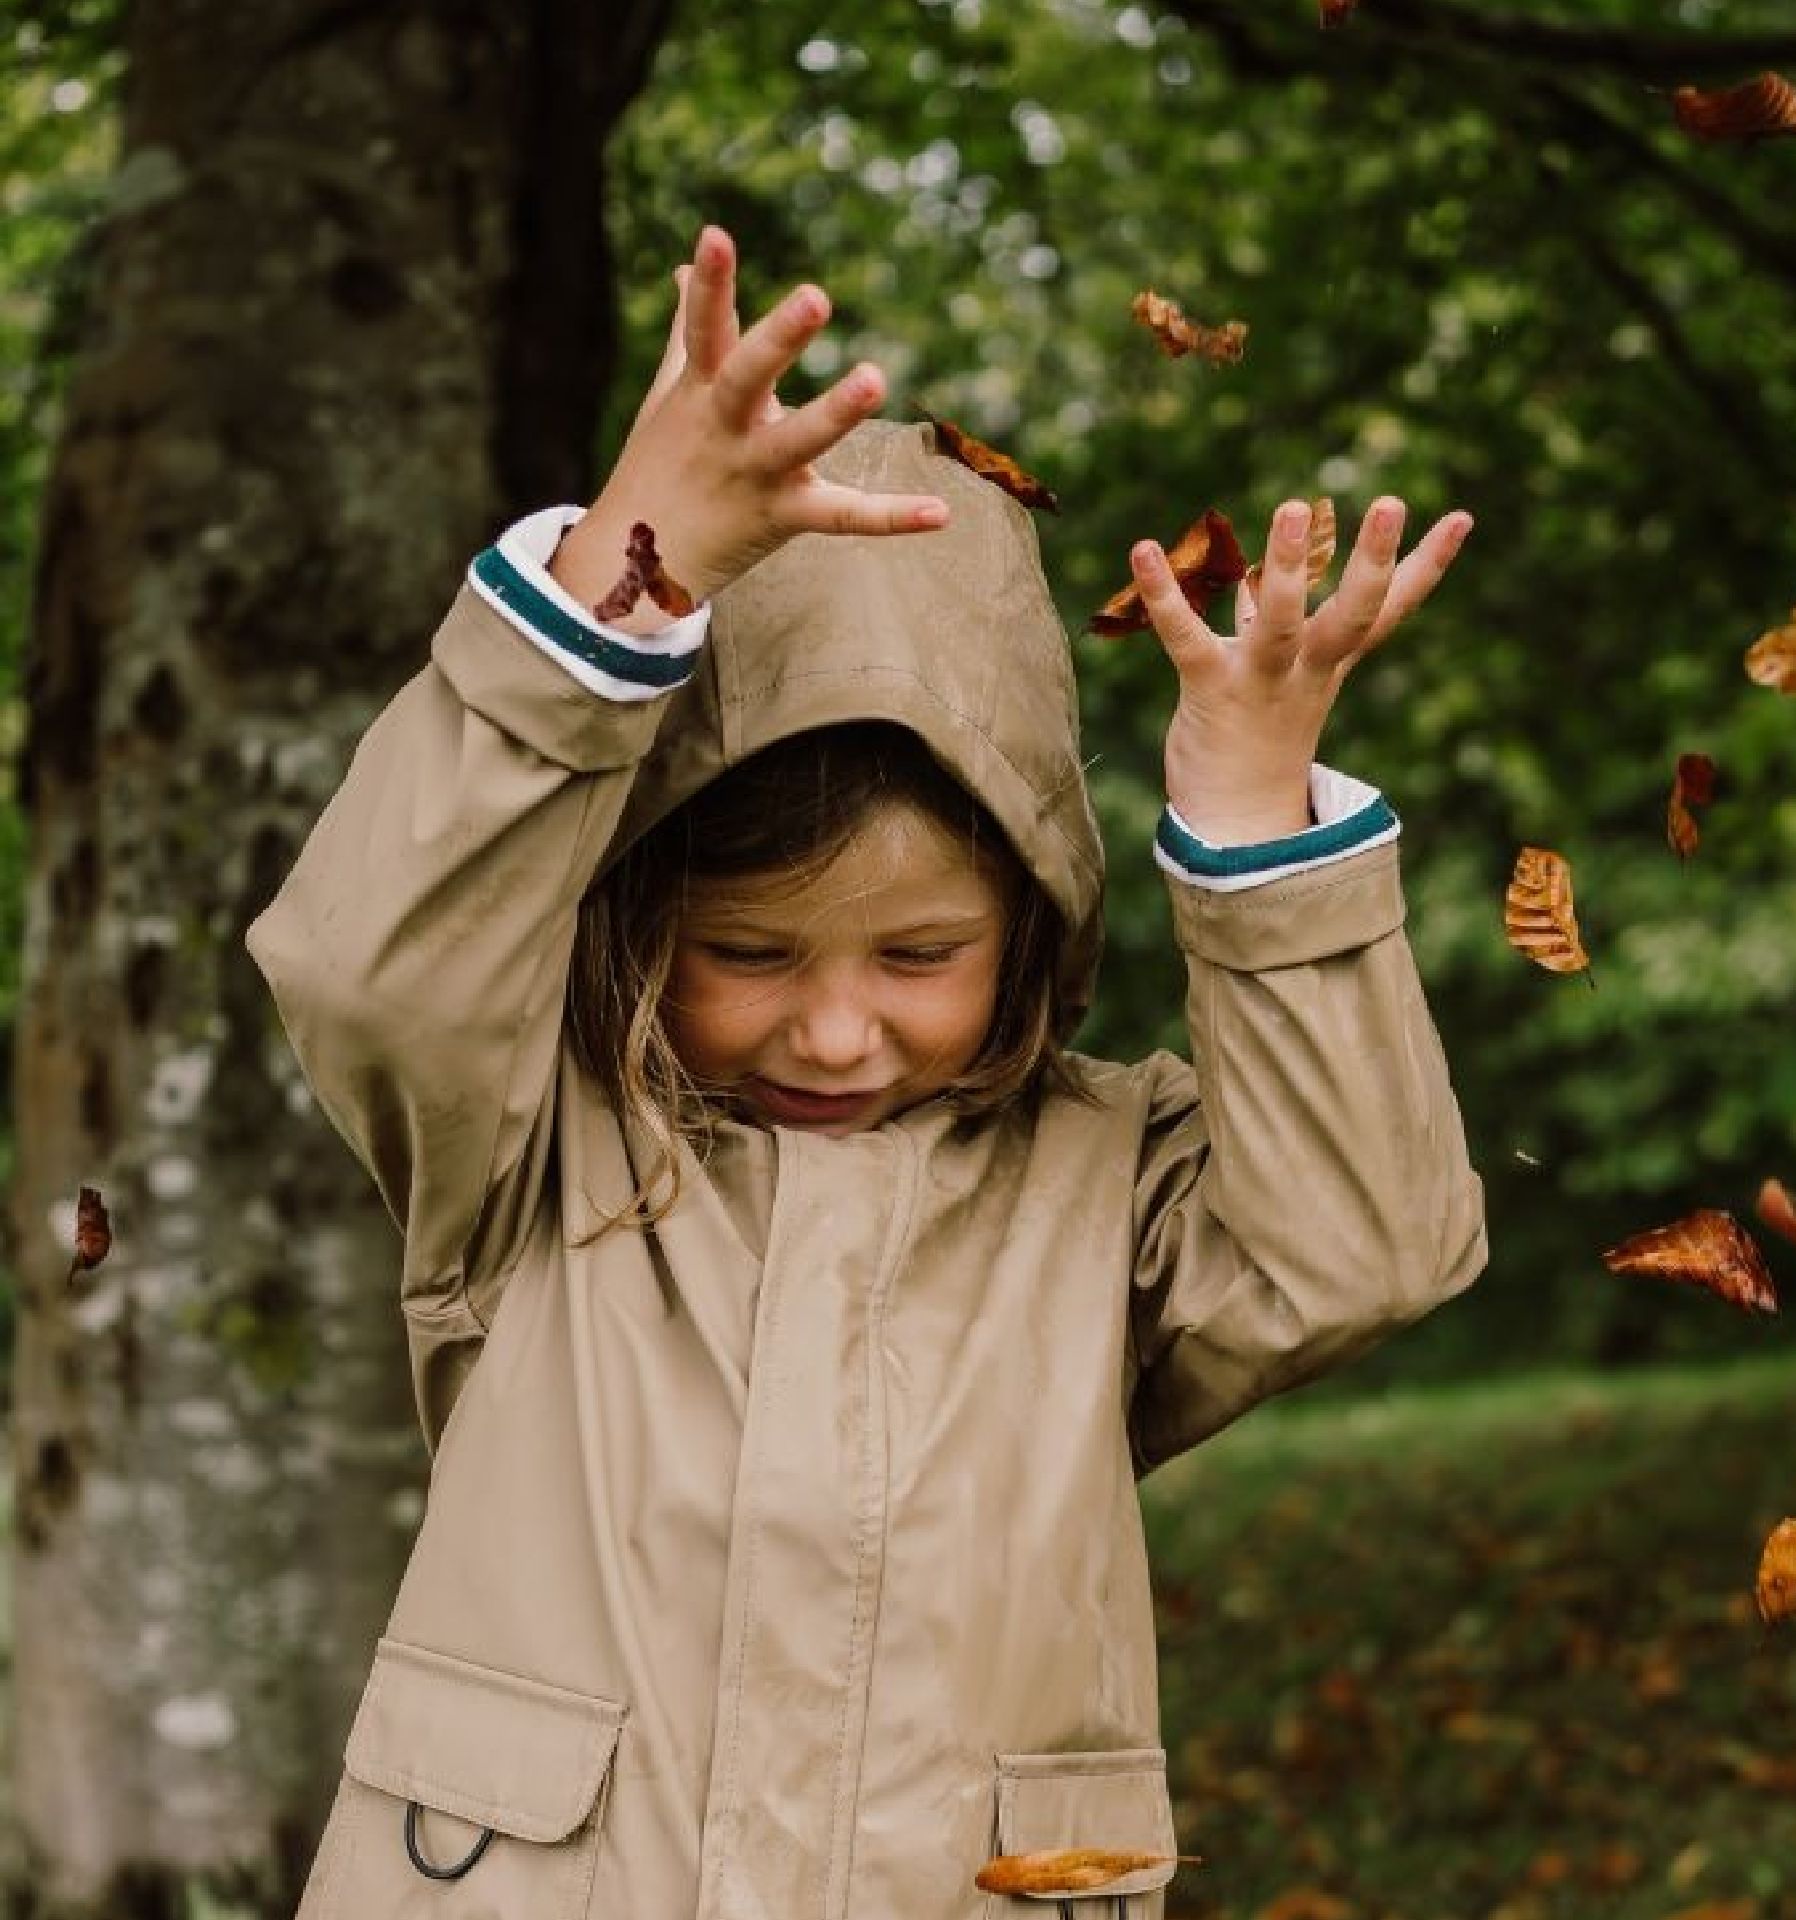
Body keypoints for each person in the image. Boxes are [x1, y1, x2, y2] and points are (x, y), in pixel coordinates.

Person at [248, 224, 1486, 1920]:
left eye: (920, 959)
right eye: (750, 956)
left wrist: (1261, 824)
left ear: (1034, 926)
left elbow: (1366, 1239)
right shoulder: (533, 1147)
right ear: (637, 921)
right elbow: (370, 965)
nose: (836, 1033)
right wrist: (625, 576)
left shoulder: (1107, 1180)